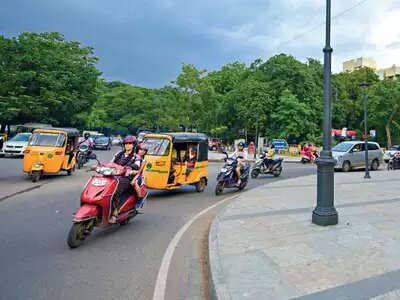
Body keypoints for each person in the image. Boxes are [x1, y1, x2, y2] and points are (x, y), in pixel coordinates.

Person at [109, 135, 137, 223]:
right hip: (114, 175)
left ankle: (114, 212)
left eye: (130, 143)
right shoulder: (119, 153)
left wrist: (130, 170)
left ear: (133, 145)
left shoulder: (136, 157)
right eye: (126, 143)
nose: (127, 145)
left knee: (116, 189)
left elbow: (137, 167)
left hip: (126, 178)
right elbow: (110, 163)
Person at [130, 143, 148, 208]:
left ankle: (140, 198)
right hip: (129, 173)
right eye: (140, 149)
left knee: (135, 183)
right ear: (137, 149)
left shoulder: (143, 160)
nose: (142, 151)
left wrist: (134, 179)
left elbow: (139, 172)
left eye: (144, 150)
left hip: (137, 176)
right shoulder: (132, 156)